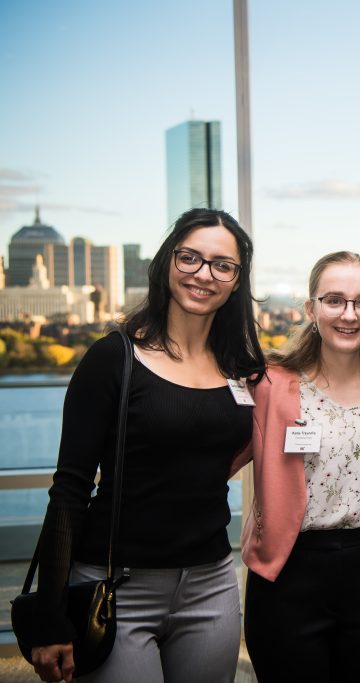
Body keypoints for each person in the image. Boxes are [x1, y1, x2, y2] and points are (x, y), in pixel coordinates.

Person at [30, 208, 266, 683]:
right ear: (167, 263)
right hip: (117, 585)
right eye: (190, 258)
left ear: (236, 281)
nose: (204, 274)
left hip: (211, 583)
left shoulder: (241, 368)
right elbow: (69, 489)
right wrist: (49, 617)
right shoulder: (113, 358)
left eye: (223, 265)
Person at [231, 251, 360, 682]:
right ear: (311, 308)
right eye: (334, 300)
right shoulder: (269, 382)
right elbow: (216, 452)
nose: (349, 314)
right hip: (287, 569)